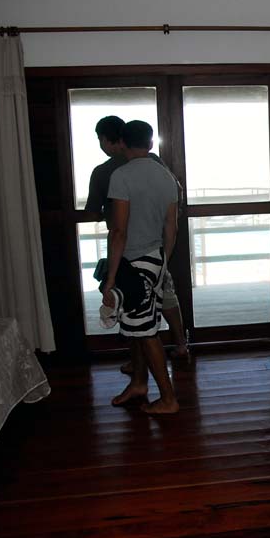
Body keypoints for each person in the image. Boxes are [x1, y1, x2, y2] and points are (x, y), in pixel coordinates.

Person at [86, 116, 190, 364]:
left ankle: (139, 367)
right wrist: (165, 255)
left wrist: (110, 277)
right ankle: (181, 345)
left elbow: (97, 216)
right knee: (166, 297)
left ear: (110, 140)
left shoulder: (106, 173)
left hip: (128, 252)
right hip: (157, 250)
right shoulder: (156, 164)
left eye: (100, 139)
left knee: (131, 307)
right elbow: (174, 203)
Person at [102, 120, 180, 414]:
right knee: (135, 326)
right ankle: (138, 383)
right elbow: (171, 227)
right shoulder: (166, 177)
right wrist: (163, 261)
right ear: (149, 143)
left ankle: (169, 399)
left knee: (146, 332)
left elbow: (118, 231)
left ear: (122, 143)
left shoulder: (121, 176)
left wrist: (110, 278)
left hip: (134, 261)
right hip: (156, 258)